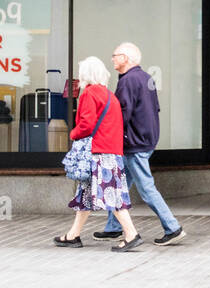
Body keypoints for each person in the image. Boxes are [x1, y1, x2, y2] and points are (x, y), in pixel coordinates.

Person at [94, 42, 185, 245]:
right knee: (119, 186)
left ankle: (172, 227)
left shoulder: (128, 80)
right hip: (145, 140)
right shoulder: (145, 78)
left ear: (125, 58)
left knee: (146, 188)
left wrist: (109, 135)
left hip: (134, 144)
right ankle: (113, 227)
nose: (112, 59)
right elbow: (154, 109)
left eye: (115, 55)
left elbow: (121, 114)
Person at [54, 56, 144, 251]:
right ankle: (73, 235)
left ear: (85, 74)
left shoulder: (89, 93)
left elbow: (86, 125)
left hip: (99, 153)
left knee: (112, 195)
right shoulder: (110, 95)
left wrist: (73, 133)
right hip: (111, 152)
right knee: (85, 196)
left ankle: (131, 234)